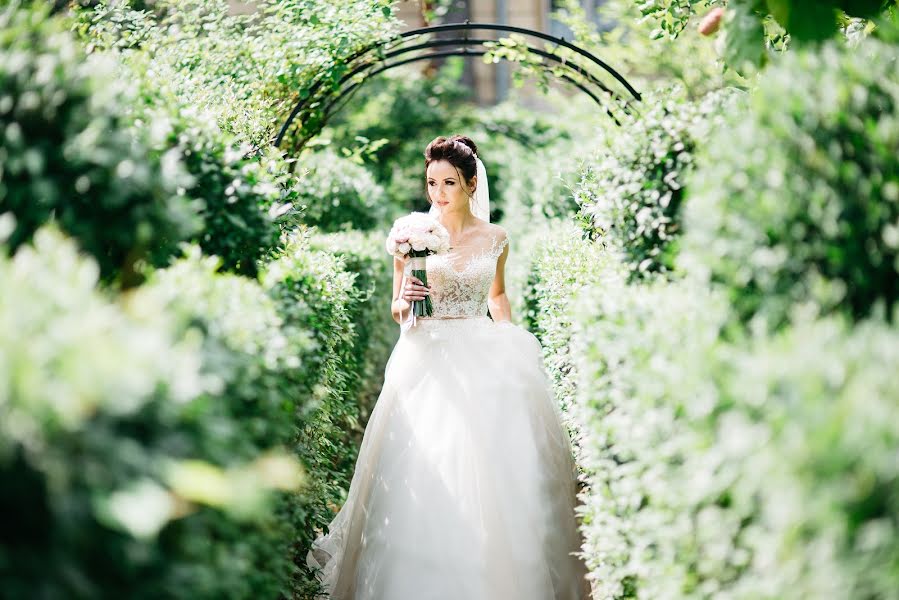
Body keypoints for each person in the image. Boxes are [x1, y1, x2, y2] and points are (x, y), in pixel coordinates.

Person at [306, 134, 591, 599]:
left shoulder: (496, 237)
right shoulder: (409, 233)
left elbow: (496, 296)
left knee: (498, 463)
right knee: (426, 460)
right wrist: (407, 301)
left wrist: (510, 341)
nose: (438, 194)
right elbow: (397, 309)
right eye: (432, 183)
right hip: (427, 353)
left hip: (482, 350)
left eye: (449, 183)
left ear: (470, 184)